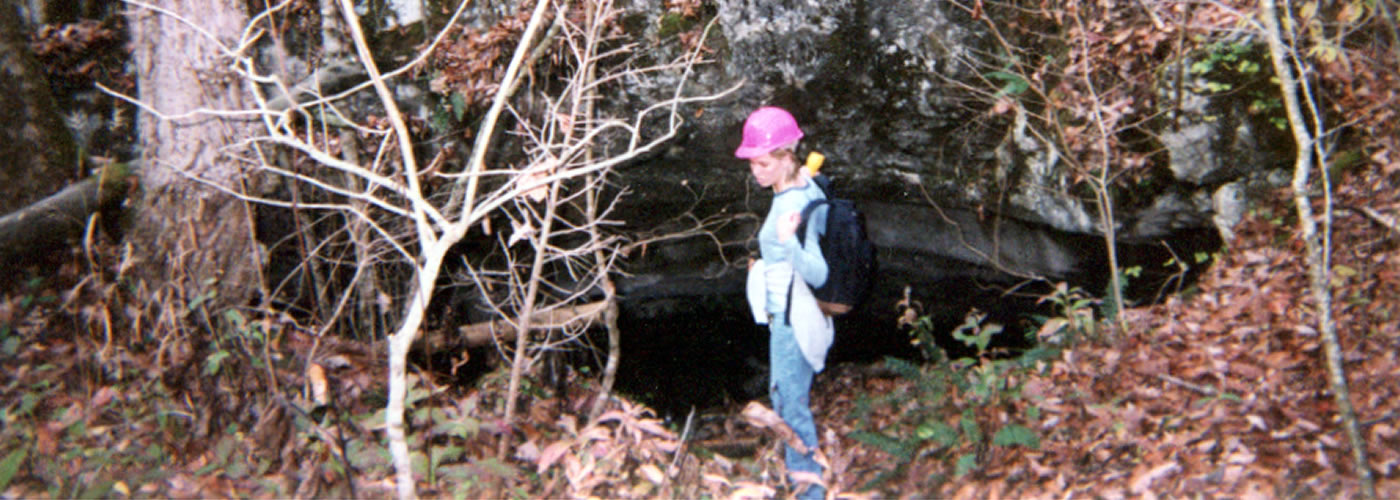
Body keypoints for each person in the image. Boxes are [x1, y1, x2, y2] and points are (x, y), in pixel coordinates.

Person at [737, 106, 831, 500]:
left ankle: (809, 492)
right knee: (785, 395)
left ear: (785, 157)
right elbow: (807, 191)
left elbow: (818, 273)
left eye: (762, 163)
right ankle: (802, 480)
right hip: (784, 310)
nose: (755, 171)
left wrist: (788, 241)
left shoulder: (795, 203)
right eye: (752, 163)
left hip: (795, 316)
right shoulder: (803, 185)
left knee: (790, 403)